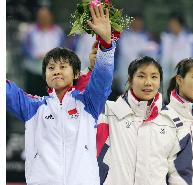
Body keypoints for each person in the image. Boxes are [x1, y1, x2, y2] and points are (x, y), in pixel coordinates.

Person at [7, 4, 115, 185]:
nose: (56, 71)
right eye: (51, 68)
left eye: (63, 66)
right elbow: (7, 92)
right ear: (45, 77)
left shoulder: (88, 103)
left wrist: (106, 45)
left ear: (75, 74)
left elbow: (103, 79)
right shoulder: (33, 107)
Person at [96, 56, 180, 185]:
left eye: (154, 77)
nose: (148, 82)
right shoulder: (108, 111)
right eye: (141, 76)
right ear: (130, 80)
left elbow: (177, 171)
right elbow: (91, 93)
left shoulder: (172, 120)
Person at [22, 6, 64, 96]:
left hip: (52, 74)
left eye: (46, 15)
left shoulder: (58, 31)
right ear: (37, 17)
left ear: (51, 16)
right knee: (33, 99)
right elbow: (25, 48)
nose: (43, 18)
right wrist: (35, 55)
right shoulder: (30, 31)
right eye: (41, 16)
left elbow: (62, 49)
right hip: (33, 71)